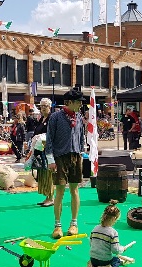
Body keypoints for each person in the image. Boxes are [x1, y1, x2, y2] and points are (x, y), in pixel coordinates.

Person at [46, 88, 85, 238]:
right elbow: (49, 139)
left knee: (75, 190)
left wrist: (82, 152)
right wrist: (50, 160)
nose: (80, 105)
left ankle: (74, 224)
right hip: (59, 157)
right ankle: (57, 226)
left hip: (76, 156)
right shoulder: (55, 117)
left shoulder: (79, 117)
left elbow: (81, 137)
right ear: (69, 102)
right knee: (60, 191)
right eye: (78, 102)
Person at [86, 200, 135, 267]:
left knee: (98, 259)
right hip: (105, 260)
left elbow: (91, 243)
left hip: (93, 258)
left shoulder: (95, 228)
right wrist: (122, 249)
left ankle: (91, 264)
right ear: (114, 218)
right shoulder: (113, 232)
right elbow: (115, 251)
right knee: (116, 260)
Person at [31, 98, 54, 207]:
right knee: (43, 174)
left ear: (50, 107)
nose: (43, 108)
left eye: (45, 106)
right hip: (40, 150)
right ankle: (47, 196)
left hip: (48, 150)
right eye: (41, 106)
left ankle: (51, 197)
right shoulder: (41, 119)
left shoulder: (52, 118)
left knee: (48, 174)